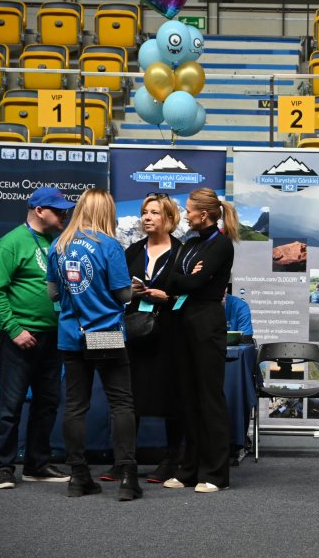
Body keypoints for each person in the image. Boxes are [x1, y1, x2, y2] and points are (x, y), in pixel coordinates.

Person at [46, 189, 140, 501]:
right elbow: (122, 295)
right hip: (106, 332)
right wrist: (132, 290)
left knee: (75, 406)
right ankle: (127, 478)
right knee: (121, 404)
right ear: (105, 212)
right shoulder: (110, 245)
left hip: (72, 333)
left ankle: (78, 476)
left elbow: (53, 295)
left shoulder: (58, 246)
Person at [0, 187, 74, 490]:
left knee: (48, 403)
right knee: (10, 404)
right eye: (58, 209)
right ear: (39, 211)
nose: (64, 214)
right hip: (20, 336)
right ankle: (3, 467)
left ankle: (37, 463)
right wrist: (14, 329)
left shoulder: (57, 244)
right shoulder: (10, 243)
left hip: (52, 336)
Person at [161, 188, 238, 493]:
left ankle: (215, 473)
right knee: (187, 399)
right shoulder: (191, 243)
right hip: (184, 321)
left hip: (207, 324)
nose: (185, 214)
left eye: (189, 209)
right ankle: (188, 470)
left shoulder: (221, 244)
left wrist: (185, 278)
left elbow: (189, 281)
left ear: (203, 214)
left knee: (209, 399)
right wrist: (184, 278)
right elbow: (171, 279)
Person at [121, 193, 184, 484]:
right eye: (145, 212)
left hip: (170, 333)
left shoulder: (183, 253)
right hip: (135, 334)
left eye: (155, 212)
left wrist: (167, 297)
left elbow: (191, 296)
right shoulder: (132, 252)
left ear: (169, 219)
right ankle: (126, 461)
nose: (147, 217)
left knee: (172, 396)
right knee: (130, 397)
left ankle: (171, 460)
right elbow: (116, 292)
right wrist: (129, 294)